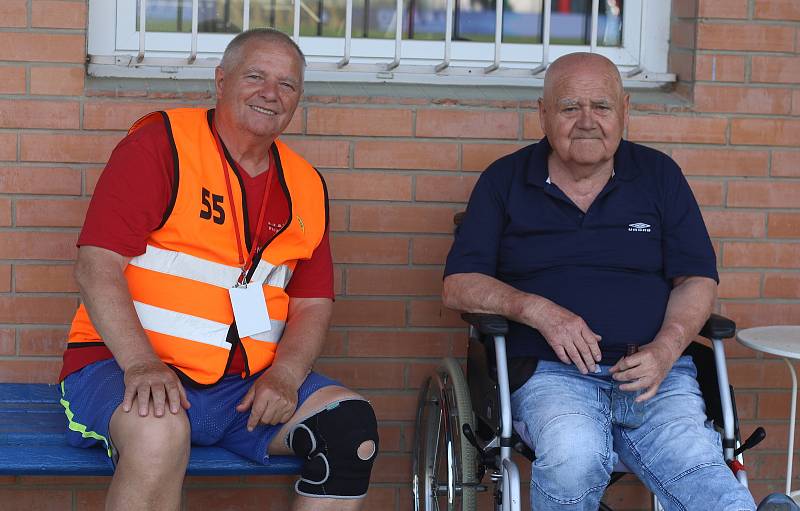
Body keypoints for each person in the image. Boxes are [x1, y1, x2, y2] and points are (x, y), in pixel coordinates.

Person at [59, 28, 378, 511]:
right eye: (256, 76)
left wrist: (287, 375)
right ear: (221, 80)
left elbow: (312, 304)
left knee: (350, 429)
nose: (271, 93)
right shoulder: (162, 145)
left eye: (287, 85)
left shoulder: (307, 184)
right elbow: (95, 265)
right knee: (159, 435)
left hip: (245, 388)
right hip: (124, 368)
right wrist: (141, 363)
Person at [442, 52, 756, 510]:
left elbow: (697, 279)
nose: (587, 121)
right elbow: (458, 284)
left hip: (656, 377)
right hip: (552, 374)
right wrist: (538, 310)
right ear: (543, 114)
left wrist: (667, 348)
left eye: (602, 107)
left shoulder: (659, 176)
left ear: (625, 110)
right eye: (570, 107)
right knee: (575, 457)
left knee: (700, 472)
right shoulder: (505, 181)